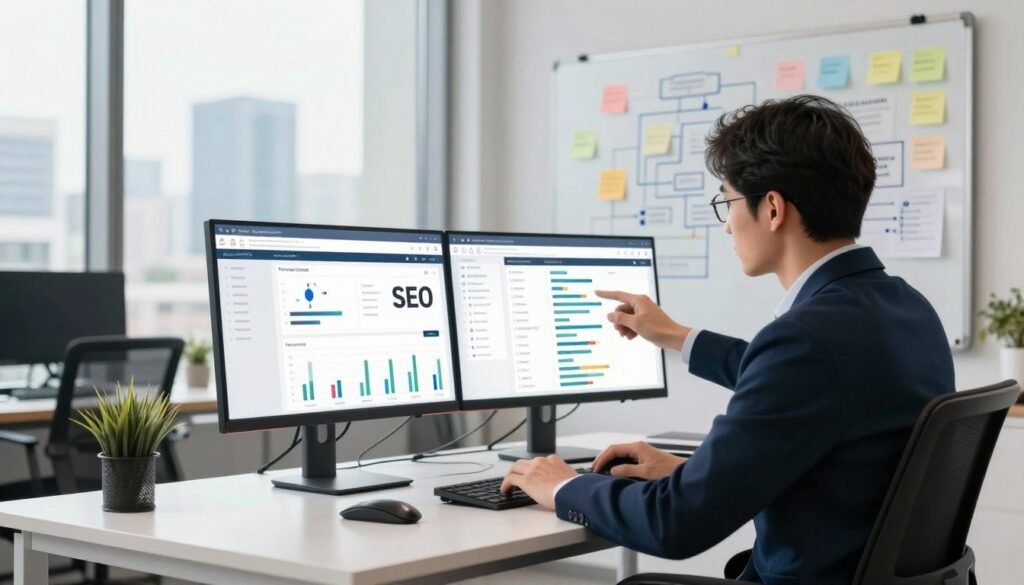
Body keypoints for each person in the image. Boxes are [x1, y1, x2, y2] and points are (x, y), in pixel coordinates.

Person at [501, 95, 955, 584]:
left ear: (774, 208)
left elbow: (673, 524)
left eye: (729, 201)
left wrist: (565, 487)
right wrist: (677, 344)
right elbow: (810, 391)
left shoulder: (806, 340)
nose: (726, 223)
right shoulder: (907, 309)